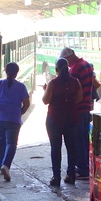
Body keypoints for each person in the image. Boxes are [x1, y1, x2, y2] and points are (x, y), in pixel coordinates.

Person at [0, 62, 30, 182]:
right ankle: (6, 165)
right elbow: (27, 104)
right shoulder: (21, 87)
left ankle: (0, 165)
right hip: (14, 119)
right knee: (11, 144)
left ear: (5, 71)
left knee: (1, 141)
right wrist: (20, 112)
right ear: (16, 73)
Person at [42, 58, 83, 186]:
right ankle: (70, 175)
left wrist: (45, 90)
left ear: (56, 70)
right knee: (71, 148)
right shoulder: (75, 82)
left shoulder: (53, 83)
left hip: (54, 119)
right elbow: (79, 99)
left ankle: (56, 177)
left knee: (56, 148)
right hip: (71, 118)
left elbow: (45, 100)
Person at [60, 48, 95, 180]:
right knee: (84, 139)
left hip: (78, 108)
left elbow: (73, 90)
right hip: (87, 107)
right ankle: (85, 165)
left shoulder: (75, 69)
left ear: (69, 57)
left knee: (77, 140)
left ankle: (82, 169)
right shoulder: (86, 64)